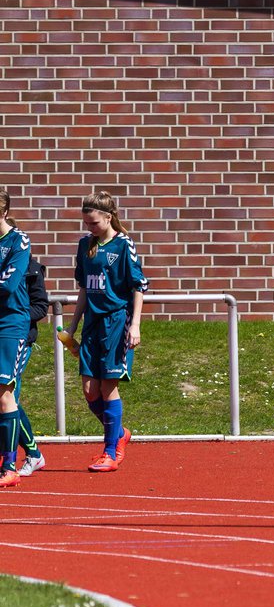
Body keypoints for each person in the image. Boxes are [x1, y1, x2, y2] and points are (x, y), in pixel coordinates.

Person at [64, 191, 149, 473]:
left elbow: (138, 286)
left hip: (117, 321)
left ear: (108, 217)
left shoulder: (124, 245)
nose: (89, 228)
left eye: (94, 223)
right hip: (92, 323)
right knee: (90, 391)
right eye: (86, 223)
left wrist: (134, 324)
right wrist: (73, 326)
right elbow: (85, 290)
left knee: (107, 386)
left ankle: (110, 452)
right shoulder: (84, 246)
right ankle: (120, 433)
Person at [0, 189, 33, 487]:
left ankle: (9, 466)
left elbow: (9, 285)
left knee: (4, 391)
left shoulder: (18, 241)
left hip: (10, 323)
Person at [16, 253, 50, 476]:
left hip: (18, 338)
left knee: (6, 398)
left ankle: (33, 453)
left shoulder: (31, 268)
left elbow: (41, 307)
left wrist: (14, 316)